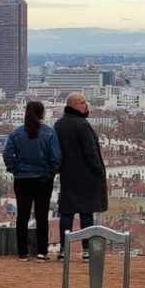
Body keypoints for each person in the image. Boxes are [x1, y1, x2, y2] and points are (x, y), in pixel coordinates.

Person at [2, 101, 61, 262]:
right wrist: (51, 172)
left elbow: (7, 154)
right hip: (43, 179)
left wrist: (14, 169)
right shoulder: (50, 133)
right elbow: (57, 157)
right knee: (42, 215)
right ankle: (42, 252)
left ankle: (23, 252)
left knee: (23, 214)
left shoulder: (16, 133)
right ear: (41, 114)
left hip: (22, 179)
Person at [53, 92, 107, 261]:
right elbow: (90, 152)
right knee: (86, 215)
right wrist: (99, 170)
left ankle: (63, 249)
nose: (86, 106)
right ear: (75, 105)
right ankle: (87, 250)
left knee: (66, 214)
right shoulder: (83, 126)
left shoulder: (59, 124)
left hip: (68, 175)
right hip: (86, 177)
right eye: (84, 103)